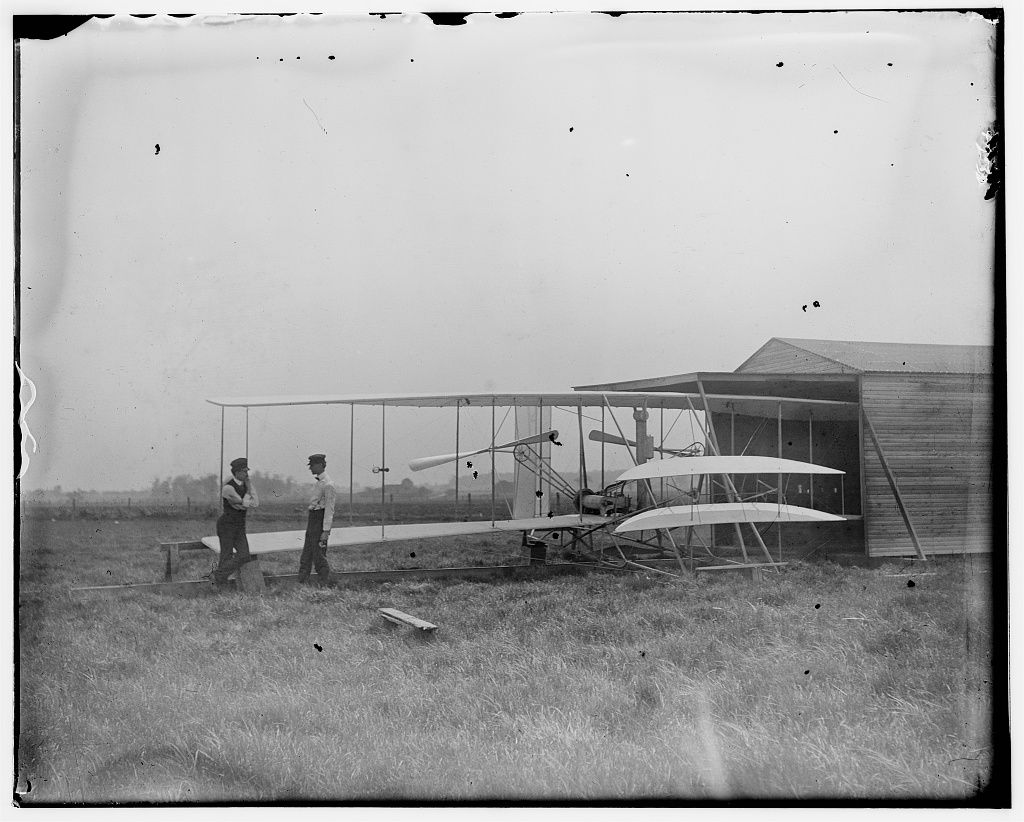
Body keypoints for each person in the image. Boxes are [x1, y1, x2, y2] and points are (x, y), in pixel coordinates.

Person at [212, 457, 259, 588]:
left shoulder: (247, 485)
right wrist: (247, 496)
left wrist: (247, 493)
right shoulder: (228, 488)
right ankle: (221, 585)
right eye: (244, 471)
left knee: (244, 555)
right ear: (237, 472)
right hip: (226, 525)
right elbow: (244, 503)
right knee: (226, 555)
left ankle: (218, 575)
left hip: (239, 526)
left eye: (247, 471)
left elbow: (255, 503)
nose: (247, 474)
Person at [298, 453, 335, 585]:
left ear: (320, 465)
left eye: (312, 465)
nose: (310, 468)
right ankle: (302, 582)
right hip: (313, 519)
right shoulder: (319, 482)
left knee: (319, 555)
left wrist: (326, 531)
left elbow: (329, 510)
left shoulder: (328, 484)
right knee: (307, 553)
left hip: (319, 521)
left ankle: (324, 584)